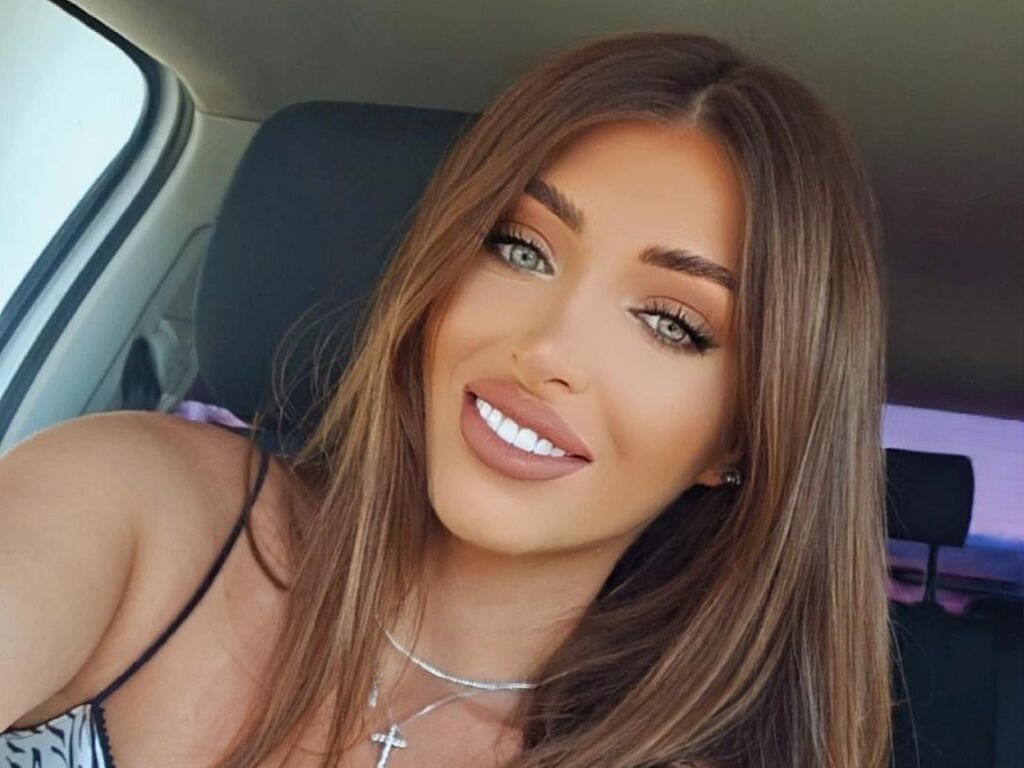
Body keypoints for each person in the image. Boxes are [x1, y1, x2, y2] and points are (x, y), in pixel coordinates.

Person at [0, 29, 892, 768]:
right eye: (520, 249)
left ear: (739, 438)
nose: (547, 349)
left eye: (671, 323)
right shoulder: (142, 506)